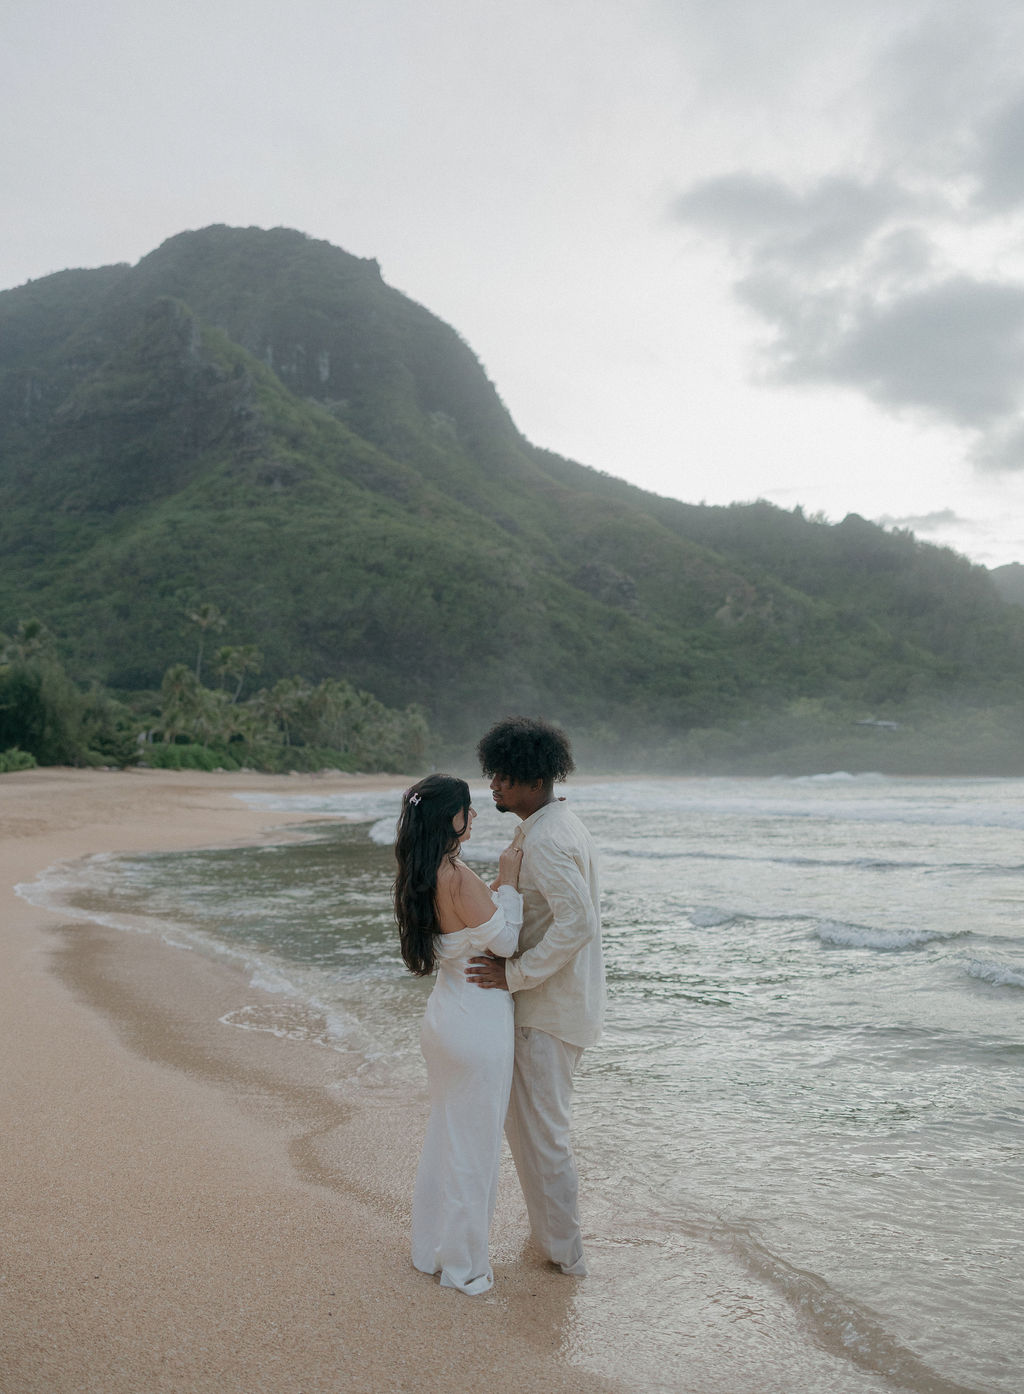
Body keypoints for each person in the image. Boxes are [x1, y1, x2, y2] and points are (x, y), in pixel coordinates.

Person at [466, 716, 604, 1277]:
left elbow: (578, 924)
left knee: (542, 1135)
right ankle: (549, 1241)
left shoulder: (547, 838)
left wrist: (515, 973)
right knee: (532, 1131)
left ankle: (567, 1259)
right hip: (557, 1005)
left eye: (503, 775)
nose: (493, 785)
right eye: (491, 773)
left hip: (547, 1010)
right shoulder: (553, 825)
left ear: (533, 778)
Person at [393, 772, 524, 1295]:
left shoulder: (418, 872)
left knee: (447, 1139)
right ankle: (464, 1267)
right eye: (468, 809)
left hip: (445, 1020)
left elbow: (468, 930)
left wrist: (490, 894)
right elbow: (508, 942)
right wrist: (509, 881)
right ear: (453, 819)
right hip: (477, 1027)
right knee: (474, 1150)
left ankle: (432, 1249)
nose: (473, 817)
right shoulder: (458, 875)